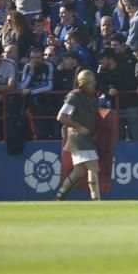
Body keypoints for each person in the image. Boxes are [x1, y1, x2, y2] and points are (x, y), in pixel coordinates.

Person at [54, 70, 102, 201]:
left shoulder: (92, 96)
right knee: (93, 167)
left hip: (86, 137)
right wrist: (79, 127)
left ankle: (60, 195)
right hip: (78, 137)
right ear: (85, 83)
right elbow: (62, 117)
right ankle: (96, 199)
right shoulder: (74, 96)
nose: (94, 85)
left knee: (79, 171)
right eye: (92, 83)